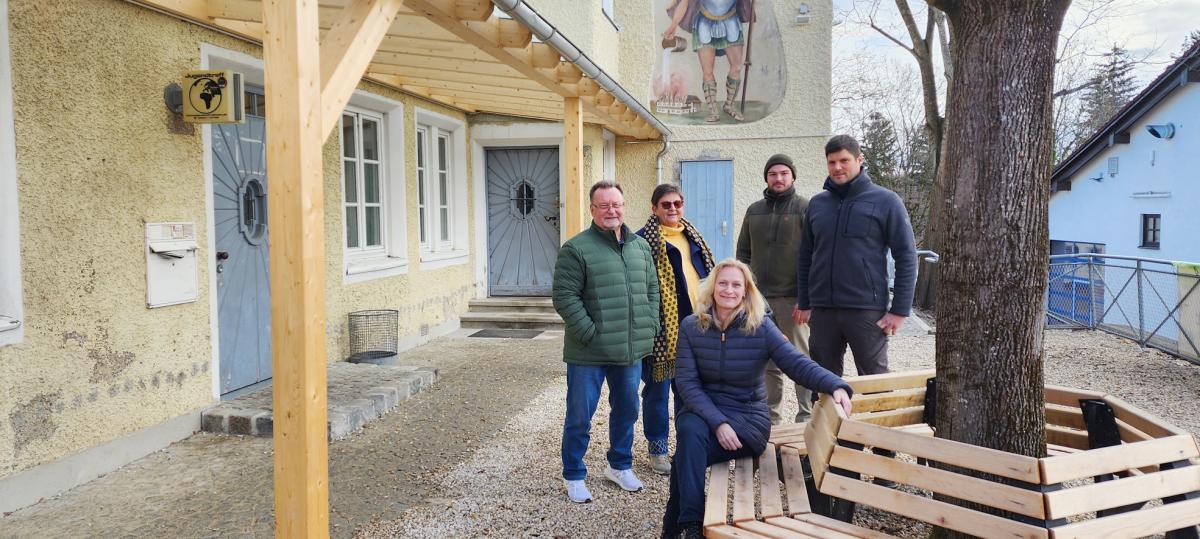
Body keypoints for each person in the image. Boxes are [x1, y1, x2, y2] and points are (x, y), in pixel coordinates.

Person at [661, 259, 853, 539]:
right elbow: (687, 384)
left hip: (747, 420)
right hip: (705, 415)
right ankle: (692, 527)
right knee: (689, 432)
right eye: (723, 283)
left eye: (736, 285)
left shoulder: (760, 327)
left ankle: (678, 526)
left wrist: (835, 385)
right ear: (712, 287)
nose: (729, 290)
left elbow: (797, 363)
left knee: (685, 456)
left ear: (746, 291)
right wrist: (718, 423)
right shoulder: (692, 327)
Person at [552, 180, 661, 504]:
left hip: (629, 351)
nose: (611, 210)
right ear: (592, 209)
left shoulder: (640, 247)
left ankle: (620, 465)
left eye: (616, 204)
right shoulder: (576, 249)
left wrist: (650, 324)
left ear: (624, 207)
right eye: (604, 205)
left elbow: (651, 290)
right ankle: (574, 474)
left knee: (627, 410)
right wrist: (590, 332)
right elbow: (564, 296)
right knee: (579, 417)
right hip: (588, 353)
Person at [796, 134, 917, 379]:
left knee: (875, 380)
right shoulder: (817, 205)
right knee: (822, 380)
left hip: (866, 309)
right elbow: (805, 256)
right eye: (831, 162)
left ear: (859, 160)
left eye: (844, 160)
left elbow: (906, 256)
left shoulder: (886, 201)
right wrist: (805, 302)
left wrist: (900, 310)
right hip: (823, 310)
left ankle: (876, 409)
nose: (837, 167)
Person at [636, 184, 716, 476]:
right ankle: (658, 451)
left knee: (690, 392)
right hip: (661, 334)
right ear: (654, 208)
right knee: (657, 393)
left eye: (677, 204)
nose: (672, 209)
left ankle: (688, 447)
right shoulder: (642, 241)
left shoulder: (692, 236)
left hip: (697, 328)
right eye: (666, 204)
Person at [736, 154, 814, 424]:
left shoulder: (805, 208)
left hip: (793, 299)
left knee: (800, 359)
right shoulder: (754, 211)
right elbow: (743, 254)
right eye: (773, 174)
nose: (778, 178)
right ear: (766, 178)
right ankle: (772, 419)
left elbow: (814, 255)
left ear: (792, 176)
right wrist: (745, 293)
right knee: (768, 362)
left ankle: (806, 416)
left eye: (783, 173)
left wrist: (806, 299)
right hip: (760, 300)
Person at [663, 0, 755, 122]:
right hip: (704, 24)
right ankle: (713, 111)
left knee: (737, 67)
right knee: (707, 72)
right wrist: (673, 26)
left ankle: (729, 105)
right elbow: (684, 3)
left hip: (731, 22)